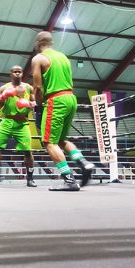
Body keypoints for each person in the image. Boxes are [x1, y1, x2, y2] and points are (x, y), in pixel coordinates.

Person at [31, 31, 95, 191]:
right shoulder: (63, 57)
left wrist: (38, 107)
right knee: (61, 140)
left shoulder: (38, 58)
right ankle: (83, 163)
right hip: (70, 99)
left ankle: (69, 180)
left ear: (38, 43)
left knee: (49, 143)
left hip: (55, 100)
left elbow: (38, 87)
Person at [0, 65, 37, 187]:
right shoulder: (4, 88)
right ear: (11, 74)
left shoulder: (28, 87)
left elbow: (35, 104)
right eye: (15, 72)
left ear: (22, 73)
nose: (17, 74)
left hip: (22, 123)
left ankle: (30, 179)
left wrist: (29, 103)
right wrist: (4, 96)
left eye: (19, 72)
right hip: (7, 121)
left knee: (27, 151)